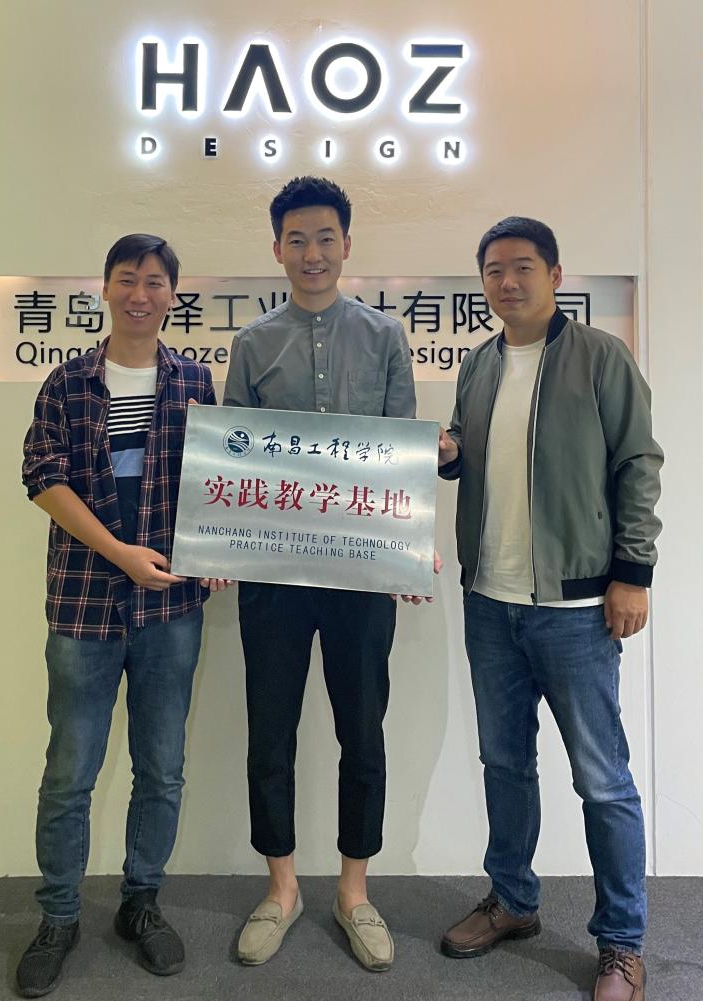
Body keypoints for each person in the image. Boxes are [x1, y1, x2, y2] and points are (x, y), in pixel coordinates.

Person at [436, 217, 663, 1001]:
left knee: (602, 779)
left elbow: (638, 462)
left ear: (555, 275)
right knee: (504, 763)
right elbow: (471, 453)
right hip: (489, 602)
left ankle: (622, 942)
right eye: (494, 270)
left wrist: (632, 572)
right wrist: (448, 455)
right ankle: (513, 900)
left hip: (576, 606)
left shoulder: (600, 356)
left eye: (523, 267)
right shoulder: (479, 363)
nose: (507, 281)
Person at [16, 234, 224, 997]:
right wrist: (120, 553)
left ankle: (142, 902)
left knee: (161, 767)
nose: (141, 294)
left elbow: (218, 480)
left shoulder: (194, 380)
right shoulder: (67, 382)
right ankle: (59, 914)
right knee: (69, 771)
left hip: (171, 606)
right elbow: (43, 478)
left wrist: (221, 546)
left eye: (155, 281)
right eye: (127, 279)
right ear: (104, 288)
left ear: (173, 294)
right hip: (83, 601)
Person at [223, 175, 416, 972]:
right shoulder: (251, 345)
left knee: (361, 730)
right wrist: (218, 548)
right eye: (297, 239)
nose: (312, 253)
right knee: (269, 730)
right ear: (277, 248)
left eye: (325, 238)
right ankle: (282, 888)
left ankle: (353, 889)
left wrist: (411, 542)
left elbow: (402, 456)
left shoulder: (385, 337)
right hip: (273, 574)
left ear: (346, 244)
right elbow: (233, 460)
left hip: (363, 576)